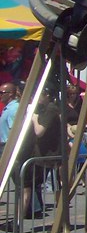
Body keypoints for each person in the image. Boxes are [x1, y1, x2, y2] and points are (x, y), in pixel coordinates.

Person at [18, 85, 64, 219]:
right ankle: (19, 220)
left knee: (56, 187)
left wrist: (34, 119)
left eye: (40, 94)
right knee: (29, 185)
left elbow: (39, 131)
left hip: (49, 156)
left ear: (47, 95)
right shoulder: (45, 109)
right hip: (42, 155)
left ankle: (61, 218)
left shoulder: (51, 109)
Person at [0, 82, 20, 153]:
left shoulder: (14, 108)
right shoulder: (8, 108)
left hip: (7, 148)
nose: (0, 95)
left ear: (10, 93)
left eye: (1, 93)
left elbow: (14, 131)